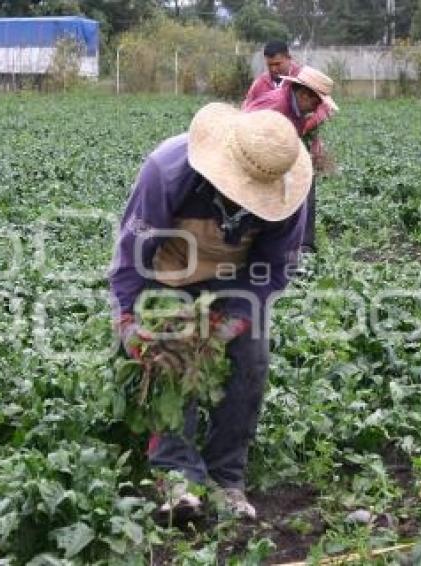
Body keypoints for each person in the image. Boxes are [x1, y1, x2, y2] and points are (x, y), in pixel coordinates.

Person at [109, 103, 313, 520]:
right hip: (167, 271)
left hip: (235, 279)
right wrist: (129, 323)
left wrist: (228, 323)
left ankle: (227, 478)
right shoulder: (167, 172)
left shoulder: (289, 193)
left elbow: (272, 271)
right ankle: (176, 474)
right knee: (172, 354)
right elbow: (131, 256)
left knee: (250, 360)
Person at [243, 65, 338, 253]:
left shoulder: (297, 109)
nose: (317, 108)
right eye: (316, 102)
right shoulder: (276, 107)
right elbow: (245, 134)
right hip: (249, 157)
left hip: (272, 158)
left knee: (305, 180)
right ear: (304, 95)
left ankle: (303, 244)